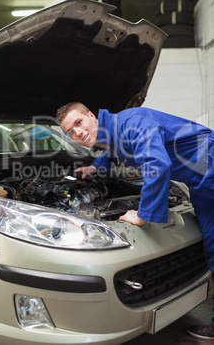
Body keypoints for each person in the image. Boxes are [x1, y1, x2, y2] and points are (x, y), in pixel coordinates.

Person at [56, 101, 214, 340]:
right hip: (200, 184)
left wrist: (142, 214)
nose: (77, 132)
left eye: (79, 123)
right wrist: (94, 169)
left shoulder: (132, 123)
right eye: (70, 131)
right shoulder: (113, 131)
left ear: (92, 115)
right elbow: (113, 151)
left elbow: (157, 165)